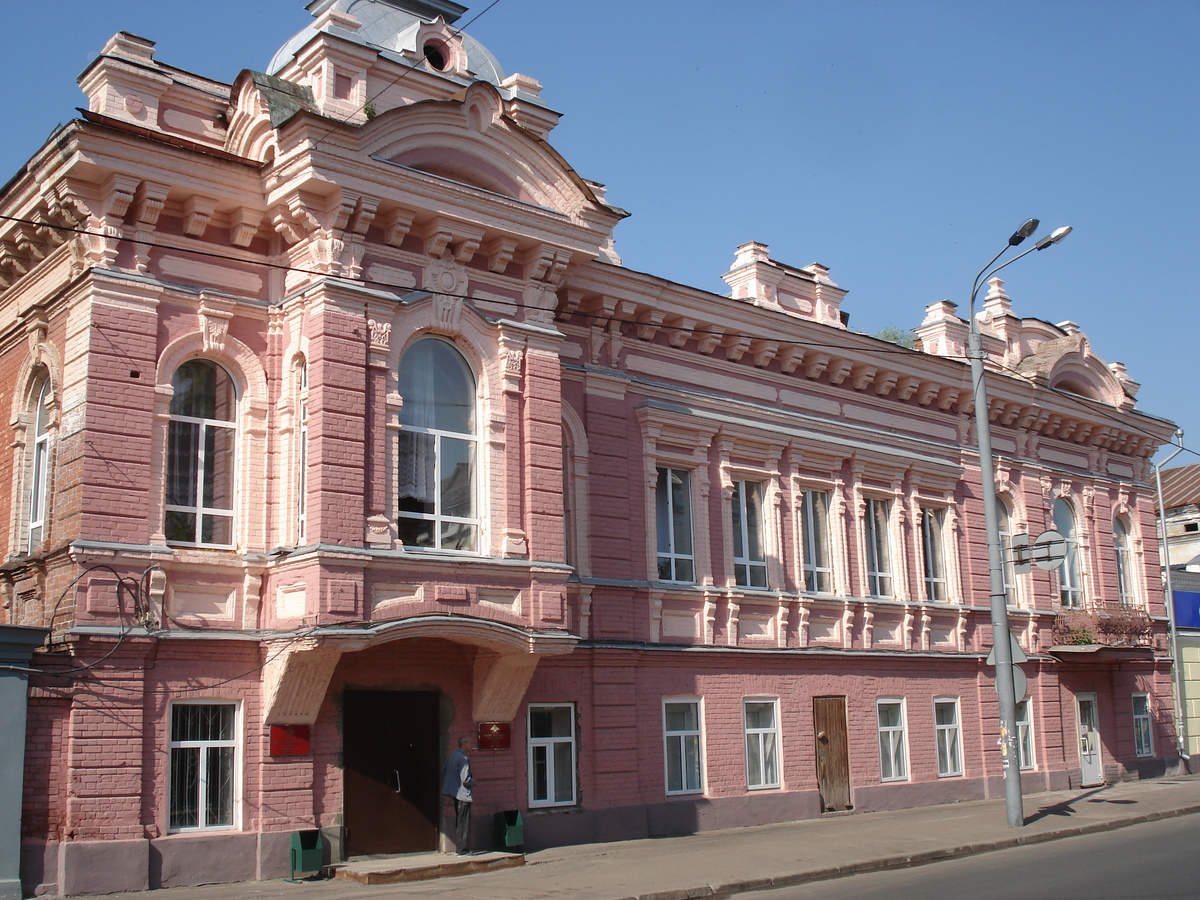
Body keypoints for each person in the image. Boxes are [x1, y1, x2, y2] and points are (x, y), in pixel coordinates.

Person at [441, 736, 474, 854]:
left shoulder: (452, 755)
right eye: (470, 743)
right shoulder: (463, 758)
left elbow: (445, 770)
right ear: (464, 744)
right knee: (464, 822)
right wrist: (474, 782)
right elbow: (466, 779)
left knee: (459, 820)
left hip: (455, 793)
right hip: (463, 794)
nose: (471, 745)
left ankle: (460, 847)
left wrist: (454, 782)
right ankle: (462, 849)